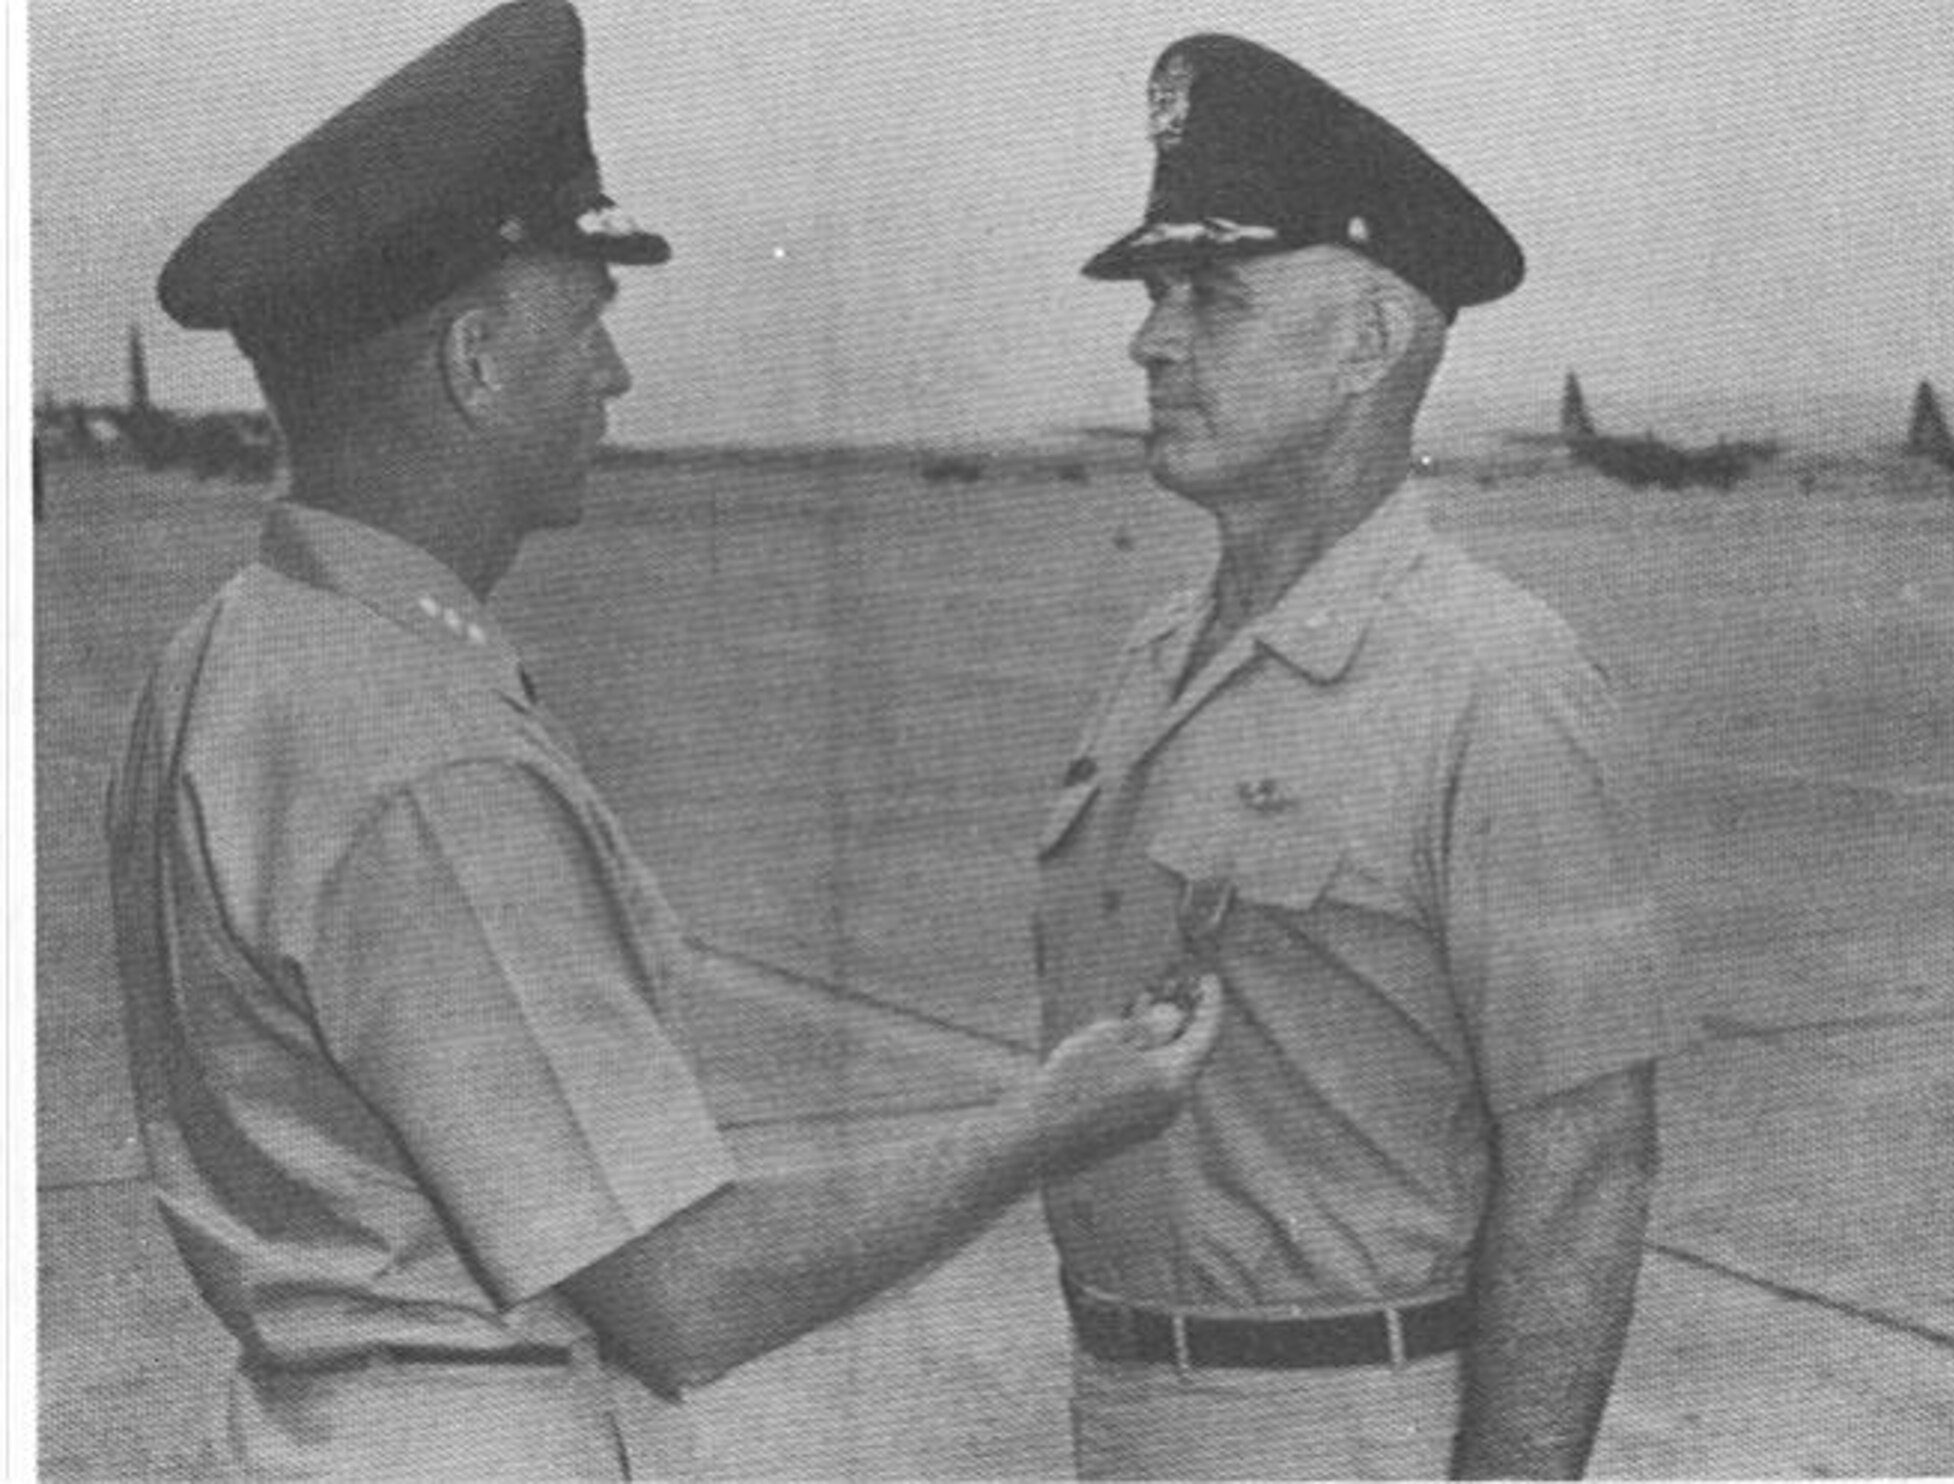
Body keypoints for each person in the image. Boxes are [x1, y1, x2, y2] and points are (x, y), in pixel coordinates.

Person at [105, 4, 1222, 1477]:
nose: (616, 378)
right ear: (477, 362)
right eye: (588, 324)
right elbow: (686, 1294)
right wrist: (1041, 1127)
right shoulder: (422, 756)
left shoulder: (233, 653)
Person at [1034, 34, 1697, 1480]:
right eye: (1156, 299)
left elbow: (1584, 1169)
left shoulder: (1495, 688)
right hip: (1126, 1402)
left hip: (1346, 1424)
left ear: (1366, 347)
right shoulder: (1158, 660)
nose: (1151, 341)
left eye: (1210, 298)